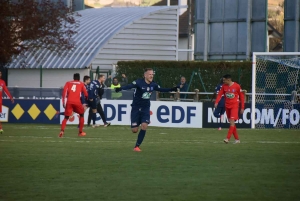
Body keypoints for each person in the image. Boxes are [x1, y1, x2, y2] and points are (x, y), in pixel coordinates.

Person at [115, 68, 178, 152]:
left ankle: (137, 146)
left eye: (152, 74)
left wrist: (172, 89)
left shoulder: (153, 85)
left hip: (145, 108)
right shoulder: (138, 82)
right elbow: (129, 86)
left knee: (144, 125)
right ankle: (135, 128)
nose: (151, 76)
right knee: (134, 130)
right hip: (136, 108)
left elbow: (162, 89)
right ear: (145, 75)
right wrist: (120, 88)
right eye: (149, 74)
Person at [214, 74, 244, 144]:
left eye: (224, 80)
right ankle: (237, 139)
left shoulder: (237, 86)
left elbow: (242, 97)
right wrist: (216, 102)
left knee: (232, 122)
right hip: (227, 106)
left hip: (234, 106)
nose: (223, 81)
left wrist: (242, 107)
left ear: (229, 80)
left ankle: (227, 138)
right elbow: (219, 94)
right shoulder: (224, 86)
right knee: (232, 123)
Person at [60, 73, 88, 137]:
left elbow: (64, 93)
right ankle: (80, 132)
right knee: (81, 114)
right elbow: (86, 93)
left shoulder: (68, 83)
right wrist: (86, 99)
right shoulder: (81, 84)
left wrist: (63, 103)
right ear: (79, 78)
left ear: (73, 77)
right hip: (77, 102)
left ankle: (62, 131)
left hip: (69, 102)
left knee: (66, 117)